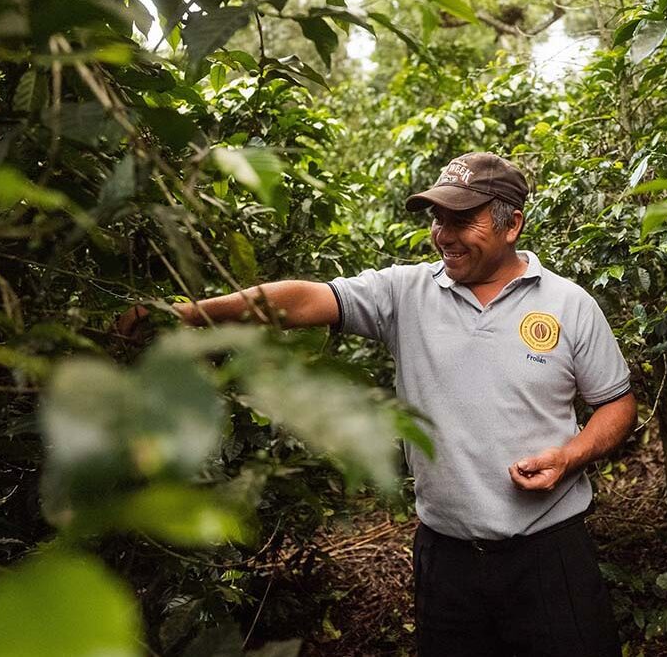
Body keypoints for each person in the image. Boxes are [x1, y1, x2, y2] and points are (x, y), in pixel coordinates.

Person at [117, 152, 636, 657]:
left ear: (511, 224)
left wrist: (568, 457)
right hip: (448, 561)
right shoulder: (405, 293)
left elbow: (617, 404)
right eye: (437, 218)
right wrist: (187, 314)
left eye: (462, 219)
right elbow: (300, 301)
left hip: (550, 554)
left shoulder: (569, 305)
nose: (443, 234)